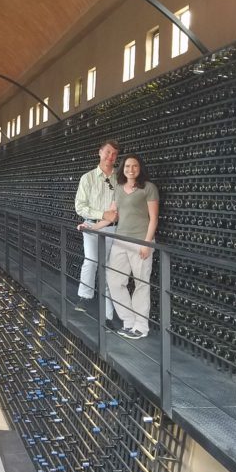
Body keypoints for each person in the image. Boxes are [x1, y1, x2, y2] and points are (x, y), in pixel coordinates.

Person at [106, 154, 159, 339]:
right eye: (127, 166)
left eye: (135, 166)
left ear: (140, 168)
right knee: (114, 281)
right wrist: (90, 226)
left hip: (140, 242)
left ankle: (141, 327)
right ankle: (128, 321)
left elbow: (153, 219)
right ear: (123, 169)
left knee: (141, 285)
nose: (131, 169)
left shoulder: (149, 188)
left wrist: (146, 243)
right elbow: (113, 215)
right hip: (120, 241)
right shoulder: (119, 189)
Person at [73, 140, 120, 323]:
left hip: (114, 229)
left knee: (110, 270)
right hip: (92, 227)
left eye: (114, 154)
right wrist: (102, 214)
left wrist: (111, 216)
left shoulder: (120, 179)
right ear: (99, 152)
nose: (111, 157)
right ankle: (85, 296)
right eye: (108, 152)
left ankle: (108, 315)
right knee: (91, 260)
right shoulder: (88, 178)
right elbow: (79, 206)